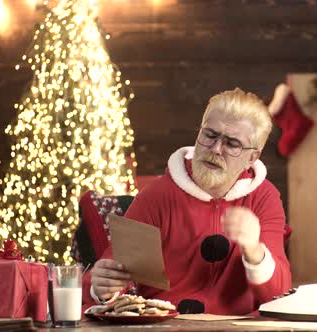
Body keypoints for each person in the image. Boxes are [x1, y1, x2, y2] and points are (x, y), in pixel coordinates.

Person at [83, 88, 292, 315]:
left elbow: (277, 295)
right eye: (210, 135)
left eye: (232, 144)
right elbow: (110, 271)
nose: (215, 150)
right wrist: (102, 287)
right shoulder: (156, 196)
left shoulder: (264, 198)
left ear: (252, 157)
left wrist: (253, 249)